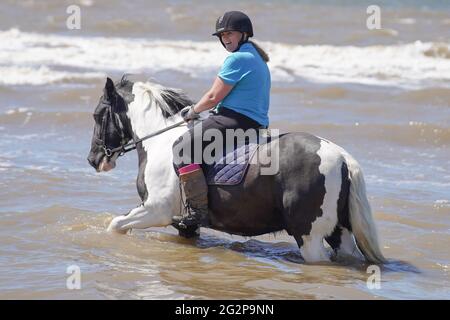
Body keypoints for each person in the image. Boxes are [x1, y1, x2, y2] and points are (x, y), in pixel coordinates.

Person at [172, 11, 271, 230]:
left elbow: (213, 97)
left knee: (181, 148)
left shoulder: (237, 58)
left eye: (230, 33)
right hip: (253, 123)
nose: (225, 38)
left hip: (235, 121)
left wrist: (191, 111)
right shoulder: (255, 56)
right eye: (222, 35)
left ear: (244, 34)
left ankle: (197, 212)